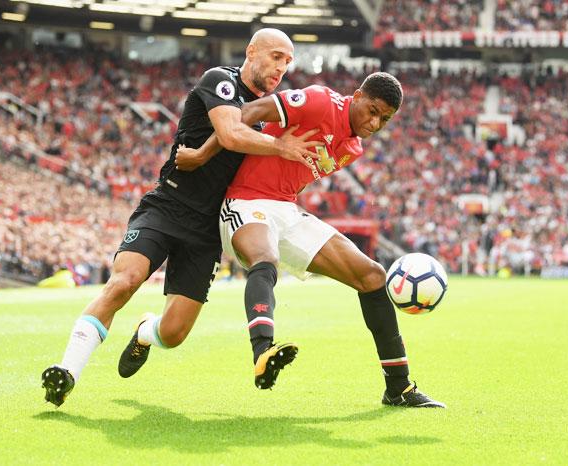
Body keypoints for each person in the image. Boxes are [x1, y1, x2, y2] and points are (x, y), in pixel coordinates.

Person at [41, 28, 319, 407]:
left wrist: (210, 154)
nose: (281, 67)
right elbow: (231, 131)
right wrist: (280, 147)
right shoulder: (220, 80)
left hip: (208, 230)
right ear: (251, 51)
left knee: (172, 334)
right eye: (275, 56)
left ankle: (143, 332)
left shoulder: (269, 114)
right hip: (167, 206)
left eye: (288, 62)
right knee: (125, 281)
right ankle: (67, 371)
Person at [172, 73, 446, 407]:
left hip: (287, 210)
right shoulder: (319, 101)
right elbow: (247, 113)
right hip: (245, 201)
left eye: (384, 119)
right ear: (357, 95)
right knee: (265, 258)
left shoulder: (353, 147)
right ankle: (263, 351)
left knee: (372, 276)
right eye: (372, 111)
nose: (374, 123)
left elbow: (298, 176)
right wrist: (202, 154)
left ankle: (398, 388)